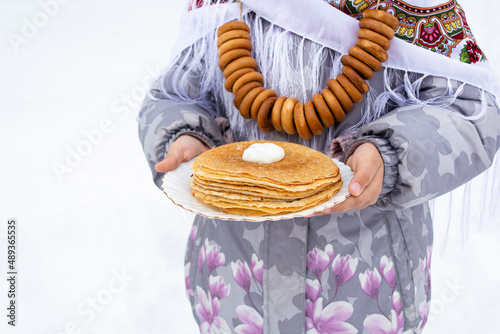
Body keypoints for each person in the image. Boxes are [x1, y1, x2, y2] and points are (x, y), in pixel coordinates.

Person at [138, 0, 500, 332]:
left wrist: (391, 152)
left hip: (366, 289)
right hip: (231, 283)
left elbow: (471, 111)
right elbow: (172, 94)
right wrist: (184, 133)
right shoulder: (223, 6)